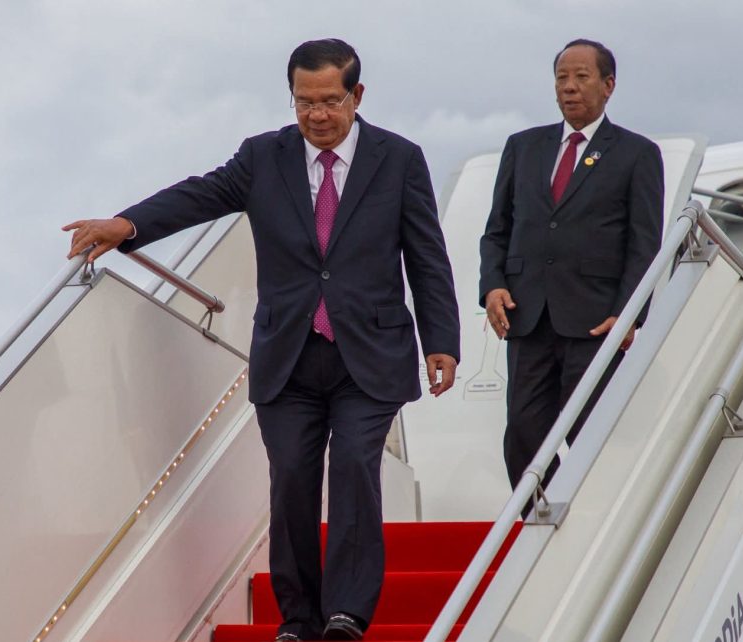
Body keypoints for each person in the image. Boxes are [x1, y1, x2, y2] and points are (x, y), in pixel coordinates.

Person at [62, 39, 461, 642]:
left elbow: (427, 257)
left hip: (371, 354)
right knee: (292, 477)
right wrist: (127, 224)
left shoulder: (399, 159)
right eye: (304, 102)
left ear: (357, 95)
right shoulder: (262, 157)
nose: (316, 115)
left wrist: (442, 340)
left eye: (329, 101)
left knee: (354, 464)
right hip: (288, 355)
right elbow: (199, 194)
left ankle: (347, 614)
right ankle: (298, 618)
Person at [478, 38, 663, 504]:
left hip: (595, 321)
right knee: (522, 434)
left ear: (608, 85)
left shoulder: (636, 153)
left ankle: (587, 522)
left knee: (590, 434)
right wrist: (493, 286)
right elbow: (496, 231)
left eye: (581, 77)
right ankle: (543, 520)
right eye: (562, 78)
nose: (569, 87)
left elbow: (644, 244)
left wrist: (629, 314)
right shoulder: (523, 147)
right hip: (528, 316)